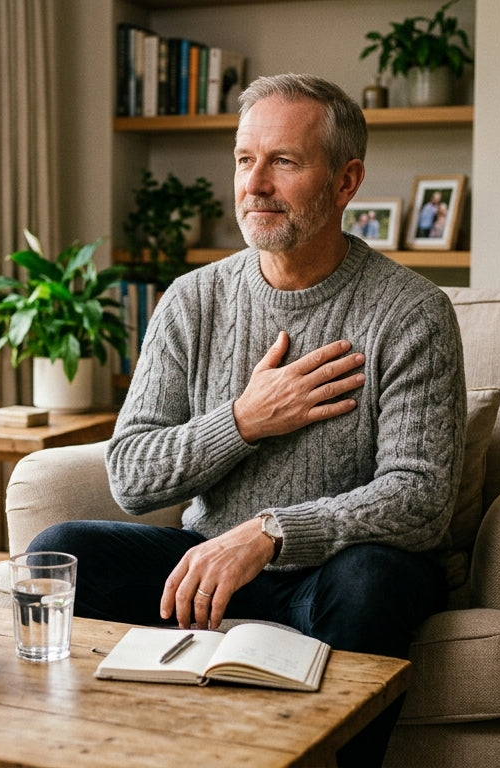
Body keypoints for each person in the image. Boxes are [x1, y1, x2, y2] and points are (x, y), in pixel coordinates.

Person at [28, 73, 465, 763]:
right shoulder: (192, 300)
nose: (254, 183)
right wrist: (244, 420)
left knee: (378, 579)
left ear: (345, 182)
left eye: (284, 162)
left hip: (337, 573)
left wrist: (269, 533)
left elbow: (420, 499)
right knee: (65, 550)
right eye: (244, 159)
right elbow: (133, 476)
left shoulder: (411, 312)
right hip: (206, 566)